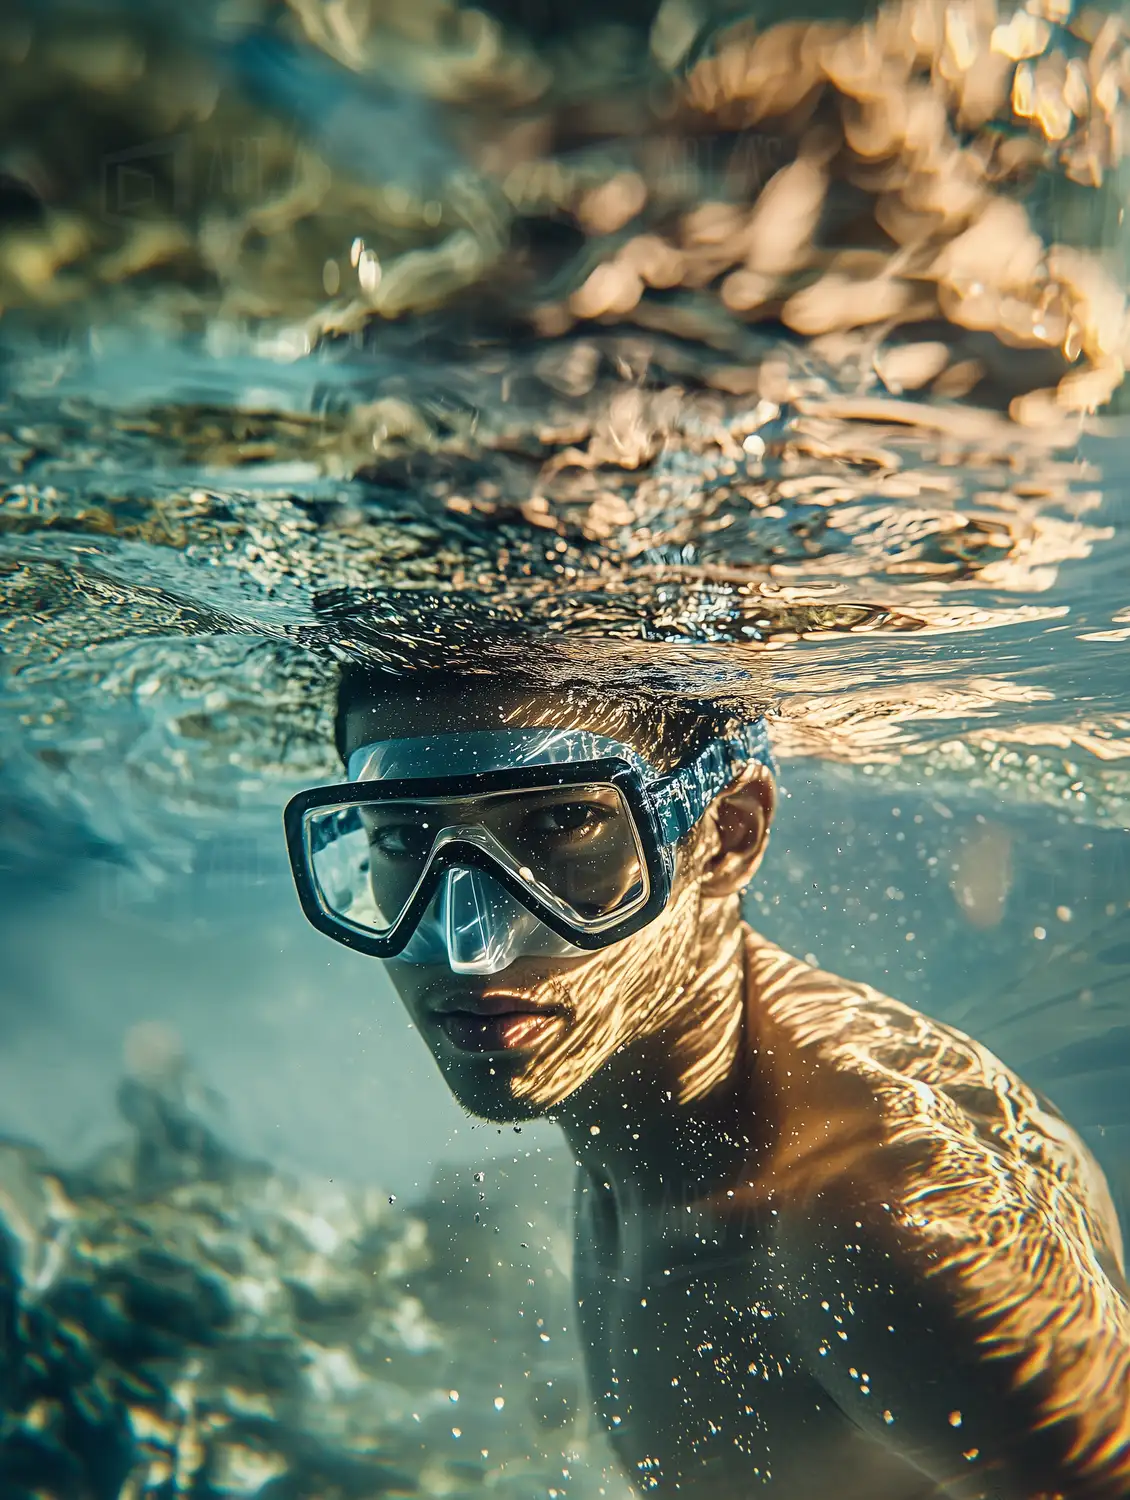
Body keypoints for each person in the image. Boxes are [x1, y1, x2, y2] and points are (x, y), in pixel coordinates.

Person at [284, 662, 1130, 1500]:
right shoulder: (653, 1115)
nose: (473, 945)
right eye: (400, 836)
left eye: (561, 824)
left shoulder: (878, 1220)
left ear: (726, 834)